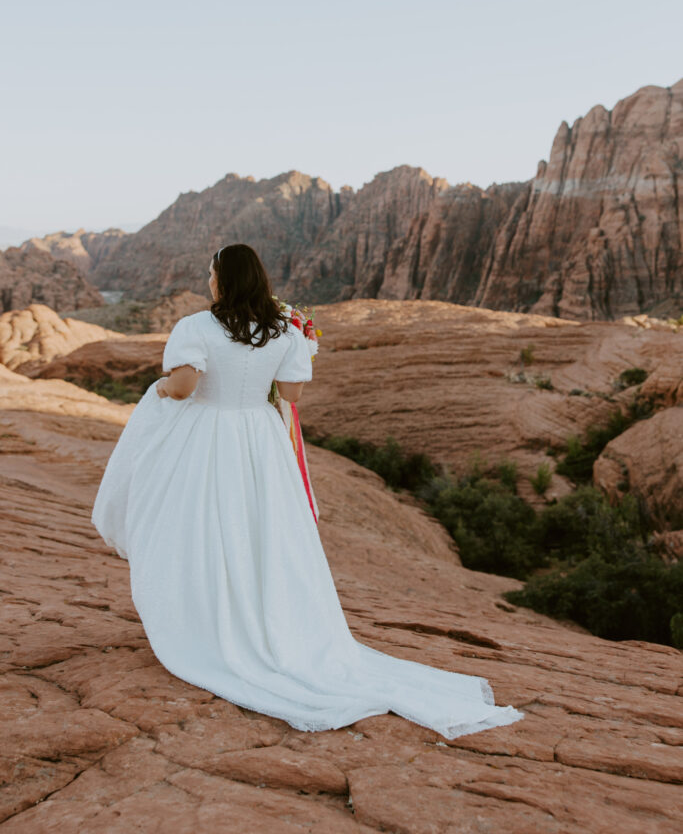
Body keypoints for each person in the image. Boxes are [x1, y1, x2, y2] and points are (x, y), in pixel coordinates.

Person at [91, 243, 524, 739]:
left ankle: (209, 625)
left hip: (206, 438)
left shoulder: (195, 326)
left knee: (201, 525)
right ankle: (269, 625)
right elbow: (291, 394)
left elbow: (186, 385)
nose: (209, 281)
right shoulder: (284, 330)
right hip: (259, 438)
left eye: (212, 273)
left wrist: (161, 389)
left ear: (223, 279)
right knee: (263, 533)